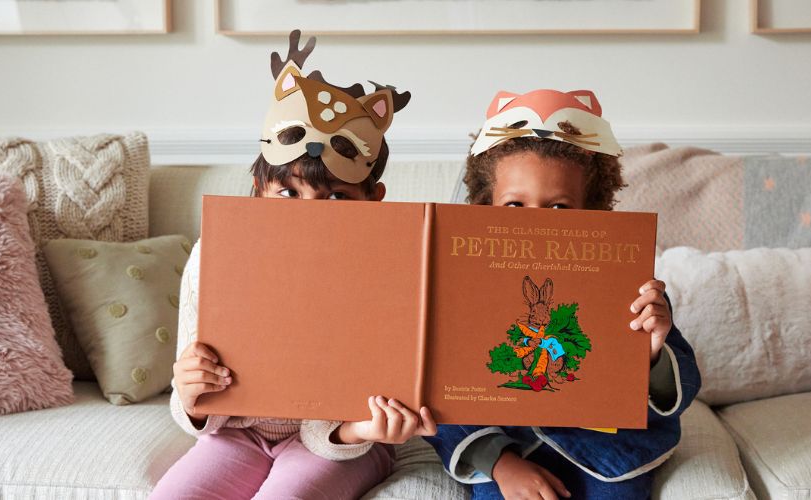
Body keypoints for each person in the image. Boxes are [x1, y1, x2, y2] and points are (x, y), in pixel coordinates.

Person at [151, 30, 436, 500]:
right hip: (236, 434)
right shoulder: (217, 252)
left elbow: (363, 404)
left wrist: (364, 430)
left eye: (337, 197)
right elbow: (197, 409)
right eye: (289, 193)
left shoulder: (387, 271)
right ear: (257, 190)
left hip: (338, 443)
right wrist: (189, 389)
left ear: (373, 201)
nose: (309, 212)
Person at [424, 88, 701, 500]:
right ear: (485, 206)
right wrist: (501, 464)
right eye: (515, 206)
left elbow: (678, 391)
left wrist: (653, 351)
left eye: (558, 208)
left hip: (608, 454)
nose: (534, 225)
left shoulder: (629, 286)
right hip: (506, 448)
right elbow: (440, 391)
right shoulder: (458, 288)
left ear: (592, 211)